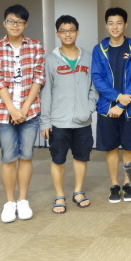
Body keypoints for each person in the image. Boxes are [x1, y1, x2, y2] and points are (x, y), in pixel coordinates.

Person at [0, 4, 45, 223]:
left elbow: (39, 78)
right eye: (11, 21)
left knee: (26, 156)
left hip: (30, 112)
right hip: (4, 112)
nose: (15, 25)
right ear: (4, 23)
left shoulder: (36, 46)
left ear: (25, 24)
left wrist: (24, 108)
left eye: (19, 22)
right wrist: (12, 108)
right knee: (9, 157)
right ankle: (10, 202)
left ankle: (23, 200)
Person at [40, 15, 98, 213]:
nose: (67, 34)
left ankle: (78, 191)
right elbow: (46, 92)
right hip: (58, 121)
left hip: (82, 120)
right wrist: (45, 121)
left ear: (77, 32)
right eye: (63, 31)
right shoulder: (50, 60)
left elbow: (94, 87)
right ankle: (59, 195)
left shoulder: (88, 57)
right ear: (57, 34)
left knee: (81, 157)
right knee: (58, 159)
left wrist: (89, 107)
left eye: (71, 30)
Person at [91, 7, 131, 204]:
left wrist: (122, 105)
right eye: (111, 23)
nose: (115, 27)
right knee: (111, 147)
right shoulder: (99, 50)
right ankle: (114, 184)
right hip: (107, 107)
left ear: (126, 25)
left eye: (119, 23)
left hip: (130, 107)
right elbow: (97, 78)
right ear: (106, 25)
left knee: (129, 147)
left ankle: (127, 183)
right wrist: (117, 97)